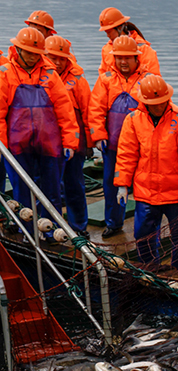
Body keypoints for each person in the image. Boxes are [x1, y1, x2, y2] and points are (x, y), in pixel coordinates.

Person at [114, 75, 178, 271]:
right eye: (153, 103)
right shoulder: (133, 120)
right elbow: (126, 153)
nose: (158, 106)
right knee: (143, 237)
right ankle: (150, 271)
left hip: (177, 194)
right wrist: (122, 184)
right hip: (146, 193)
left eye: (161, 101)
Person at [0, 27, 78, 236]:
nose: (34, 56)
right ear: (18, 49)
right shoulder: (6, 74)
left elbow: (65, 110)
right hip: (17, 145)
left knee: (52, 191)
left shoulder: (50, 75)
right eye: (29, 52)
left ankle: (52, 232)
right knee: (22, 192)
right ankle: (27, 232)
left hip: (49, 144)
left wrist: (70, 141)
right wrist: (3, 146)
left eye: (37, 53)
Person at [88, 35, 153, 239]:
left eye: (128, 57)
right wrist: (98, 136)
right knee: (111, 184)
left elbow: (158, 109)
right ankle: (113, 223)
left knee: (145, 185)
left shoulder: (147, 80)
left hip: (143, 147)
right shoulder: (106, 79)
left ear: (136, 58)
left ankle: (148, 227)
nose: (123, 62)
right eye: (119, 58)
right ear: (113, 58)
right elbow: (96, 109)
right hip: (113, 145)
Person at [45, 35, 91, 236]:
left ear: (68, 59)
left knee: (74, 186)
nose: (56, 62)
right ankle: (51, 227)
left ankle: (79, 227)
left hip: (74, 142)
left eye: (61, 58)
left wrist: (89, 142)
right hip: (47, 141)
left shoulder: (78, 80)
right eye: (52, 57)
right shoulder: (40, 77)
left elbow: (89, 111)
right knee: (49, 187)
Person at [97, 7, 159, 76]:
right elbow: (102, 76)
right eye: (106, 32)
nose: (107, 36)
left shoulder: (144, 49)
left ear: (119, 28)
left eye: (109, 32)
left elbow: (154, 79)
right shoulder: (106, 49)